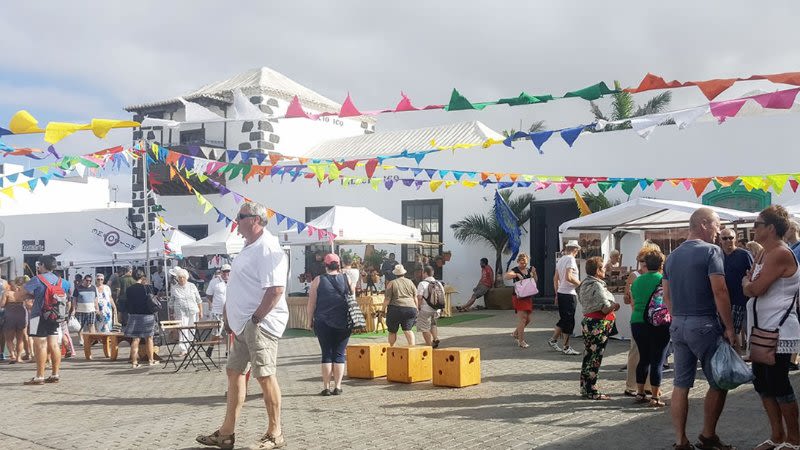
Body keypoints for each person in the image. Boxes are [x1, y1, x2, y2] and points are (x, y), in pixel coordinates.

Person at [196, 202, 288, 450]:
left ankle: (275, 433)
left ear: (255, 220)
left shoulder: (268, 247)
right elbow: (239, 286)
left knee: (265, 376)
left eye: (240, 217)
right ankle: (226, 433)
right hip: (243, 323)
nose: (236, 222)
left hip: (259, 323)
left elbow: (276, 290)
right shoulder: (250, 247)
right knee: (234, 373)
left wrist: (256, 319)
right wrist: (230, 315)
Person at [663, 207, 736, 450]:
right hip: (703, 323)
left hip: (679, 324)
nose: (718, 231)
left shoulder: (672, 256)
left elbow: (667, 296)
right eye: (716, 225)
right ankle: (707, 435)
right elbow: (720, 291)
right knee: (719, 381)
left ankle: (680, 440)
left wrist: (677, 319)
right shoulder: (711, 251)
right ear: (703, 224)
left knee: (681, 385)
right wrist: (729, 327)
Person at [742, 205, 800, 450]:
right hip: (762, 329)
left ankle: (794, 439)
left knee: (777, 383)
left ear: (770, 228)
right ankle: (777, 435)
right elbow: (753, 285)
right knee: (762, 383)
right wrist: (749, 282)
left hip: (778, 329)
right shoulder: (763, 253)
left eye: (757, 224)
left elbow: (755, 288)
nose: (753, 228)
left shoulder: (779, 253)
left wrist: (746, 282)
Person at [306, 253, 352, 396]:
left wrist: (309, 321)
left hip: (322, 321)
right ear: (339, 264)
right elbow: (352, 300)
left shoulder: (318, 280)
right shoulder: (347, 279)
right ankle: (338, 386)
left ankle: (326, 387)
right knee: (339, 354)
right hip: (344, 321)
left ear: (325, 265)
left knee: (326, 353)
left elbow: (311, 304)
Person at [630, 249, 670, 407]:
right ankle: (654, 396)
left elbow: (633, 299)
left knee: (643, 358)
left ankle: (640, 392)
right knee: (657, 360)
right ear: (661, 264)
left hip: (637, 322)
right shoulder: (663, 279)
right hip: (658, 323)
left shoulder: (637, 280)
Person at [22, 255, 72, 385]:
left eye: (39, 264)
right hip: (56, 316)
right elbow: (68, 293)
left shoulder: (37, 279)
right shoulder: (63, 281)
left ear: (43, 265)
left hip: (37, 315)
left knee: (40, 345)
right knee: (54, 344)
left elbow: (22, 293)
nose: (38, 266)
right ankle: (55, 374)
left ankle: (39, 376)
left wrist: (32, 295)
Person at [577, 256, 621, 400]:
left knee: (589, 355)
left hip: (589, 321)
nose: (604, 270)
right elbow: (604, 308)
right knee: (595, 357)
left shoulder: (585, 283)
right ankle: (592, 390)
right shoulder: (597, 285)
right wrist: (615, 306)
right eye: (602, 268)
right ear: (597, 270)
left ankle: (585, 387)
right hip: (598, 323)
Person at [623, 241, 660, 397]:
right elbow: (626, 298)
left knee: (646, 354)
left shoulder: (650, 276)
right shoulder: (635, 275)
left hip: (641, 319)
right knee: (636, 353)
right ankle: (631, 385)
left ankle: (646, 386)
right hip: (640, 317)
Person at [719, 228, 753, 353]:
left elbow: (752, 275)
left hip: (743, 300)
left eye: (731, 237)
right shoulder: (717, 255)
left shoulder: (744, 254)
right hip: (724, 301)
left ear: (735, 239)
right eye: (725, 238)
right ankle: (735, 361)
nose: (728, 240)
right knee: (730, 334)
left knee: (750, 333)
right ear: (720, 240)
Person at [550, 240, 581, 355]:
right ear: (575, 249)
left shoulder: (561, 259)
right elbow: (569, 277)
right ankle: (566, 346)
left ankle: (553, 340)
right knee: (569, 320)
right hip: (569, 293)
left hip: (562, 292)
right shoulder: (570, 259)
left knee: (564, 319)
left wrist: (557, 293)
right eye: (577, 250)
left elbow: (555, 278)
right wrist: (580, 283)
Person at [123, 270, 158, 368]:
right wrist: (146, 284)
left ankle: (134, 362)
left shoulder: (129, 289)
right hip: (147, 315)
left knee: (135, 339)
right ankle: (151, 360)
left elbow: (127, 302)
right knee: (149, 338)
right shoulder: (147, 287)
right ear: (143, 277)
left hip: (134, 315)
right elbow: (156, 292)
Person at [505, 253, 537, 349]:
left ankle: (515, 333)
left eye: (525, 263)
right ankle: (521, 341)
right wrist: (517, 274)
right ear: (518, 261)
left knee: (528, 319)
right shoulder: (515, 270)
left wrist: (534, 273)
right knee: (522, 319)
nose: (523, 265)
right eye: (521, 263)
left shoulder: (530, 269)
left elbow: (535, 281)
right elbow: (506, 276)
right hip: (518, 297)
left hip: (527, 296)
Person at [381, 264, 417, 347]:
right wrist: (417, 308)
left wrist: (383, 310)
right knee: (408, 330)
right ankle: (412, 349)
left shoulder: (391, 283)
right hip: (411, 308)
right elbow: (415, 297)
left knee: (392, 331)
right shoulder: (410, 282)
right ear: (404, 273)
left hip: (396, 308)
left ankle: (391, 347)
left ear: (395, 274)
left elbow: (387, 299)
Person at [171, 267, 203, 356]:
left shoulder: (192, 286)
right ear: (177, 278)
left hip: (193, 310)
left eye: (183, 277)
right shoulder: (174, 288)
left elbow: (198, 299)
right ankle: (183, 349)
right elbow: (171, 301)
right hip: (180, 312)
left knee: (192, 329)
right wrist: (171, 312)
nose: (181, 279)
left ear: (186, 277)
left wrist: (201, 311)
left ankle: (190, 346)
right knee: (182, 330)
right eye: (179, 277)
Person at [2, 277, 30, 363]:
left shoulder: (6, 293)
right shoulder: (22, 293)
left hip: (10, 315)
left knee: (9, 338)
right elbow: (28, 302)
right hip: (21, 315)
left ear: (9, 286)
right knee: (20, 338)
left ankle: (12, 355)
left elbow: (2, 304)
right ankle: (19, 357)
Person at [205, 264, 230, 358]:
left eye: (228, 271)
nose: (226, 273)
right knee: (217, 332)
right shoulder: (214, 282)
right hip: (217, 311)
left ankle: (228, 351)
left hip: (229, 311)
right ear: (221, 272)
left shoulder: (233, 281)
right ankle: (211, 346)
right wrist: (212, 305)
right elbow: (209, 295)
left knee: (228, 332)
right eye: (225, 271)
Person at [417, 265, 444, 348]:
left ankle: (428, 346)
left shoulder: (422, 283)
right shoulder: (439, 283)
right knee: (433, 324)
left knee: (424, 328)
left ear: (425, 273)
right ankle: (435, 338)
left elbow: (419, 297)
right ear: (433, 273)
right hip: (436, 309)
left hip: (425, 309)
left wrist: (418, 307)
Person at [72, 274, 100, 345]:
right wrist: (74, 309)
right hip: (80, 310)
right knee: (80, 326)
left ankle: (93, 339)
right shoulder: (78, 288)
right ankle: (81, 340)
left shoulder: (93, 288)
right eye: (87, 280)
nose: (88, 282)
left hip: (91, 310)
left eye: (90, 281)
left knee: (91, 324)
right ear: (84, 280)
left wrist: (97, 308)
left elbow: (95, 299)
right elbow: (74, 299)